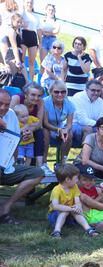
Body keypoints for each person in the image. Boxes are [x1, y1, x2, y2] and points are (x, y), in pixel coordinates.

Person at [0, 88, 44, 225]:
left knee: (37, 173)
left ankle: (5, 207)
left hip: (6, 166)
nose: (3, 108)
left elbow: (14, 140)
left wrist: (25, 136)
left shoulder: (11, 114)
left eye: (7, 104)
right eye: (0, 103)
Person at [48, 164, 99, 238]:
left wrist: (78, 207)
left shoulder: (74, 187)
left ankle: (88, 229)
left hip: (70, 216)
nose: (77, 180)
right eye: (76, 178)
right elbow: (55, 206)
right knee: (65, 211)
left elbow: (77, 201)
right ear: (68, 180)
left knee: (75, 210)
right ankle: (56, 231)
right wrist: (71, 208)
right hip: (55, 216)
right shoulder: (56, 190)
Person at [10, 82, 46, 171]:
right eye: (33, 95)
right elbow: (9, 119)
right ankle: (16, 165)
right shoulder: (17, 99)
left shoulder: (40, 102)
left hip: (31, 131)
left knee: (40, 132)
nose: (36, 98)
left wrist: (30, 130)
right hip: (14, 129)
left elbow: (39, 123)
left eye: (39, 95)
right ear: (26, 94)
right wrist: (23, 130)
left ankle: (40, 166)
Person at [74, 117, 103, 183]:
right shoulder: (90, 138)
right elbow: (85, 161)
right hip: (84, 165)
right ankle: (88, 191)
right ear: (97, 129)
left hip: (101, 166)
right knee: (88, 171)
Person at [77, 164, 103, 231]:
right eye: (85, 180)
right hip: (88, 215)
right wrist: (100, 198)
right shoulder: (78, 191)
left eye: (91, 180)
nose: (88, 182)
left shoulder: (97, 189)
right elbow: (89, 206)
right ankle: (99, 222)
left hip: (99, 213)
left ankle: (102, 223)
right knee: (84, 197)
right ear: (78, 180)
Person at [43, 80, 74, 165]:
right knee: (45, 133)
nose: (60, 94)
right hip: (47, 127)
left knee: (68, 134)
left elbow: (69, 123)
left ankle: (63, 160)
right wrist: (58, 129)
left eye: (63, 92)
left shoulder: (69, 103)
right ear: (51, 92)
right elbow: (45, 123)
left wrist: (65, 130)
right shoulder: (45, 102)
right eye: (56, 92)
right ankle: (44, 162)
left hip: (59, 127)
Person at [71, 79, 103, 146]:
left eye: (98, 91)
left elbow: (101, 117)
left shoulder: (100, 100)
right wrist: (100, 124)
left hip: (93, 125)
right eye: (93, 90)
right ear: (86, 90)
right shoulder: (78, 97)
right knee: (88, 129)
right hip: (74, 124)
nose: (96, 93)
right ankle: (85, 155)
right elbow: (82, 120)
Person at [3, 13, 28, 85]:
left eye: (21, 22)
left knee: (24, 79)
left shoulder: (18, 31)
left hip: (18, 56)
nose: (19, 24)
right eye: (18, 22)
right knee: (15, 79)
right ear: (12, 21)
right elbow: (14, 47)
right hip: (13, 56)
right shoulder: (12, 31)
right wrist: (17, 61)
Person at [21, 0, 39, 82]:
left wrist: (40, 42)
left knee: (32, 62)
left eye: (31, 3)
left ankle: (31, 81)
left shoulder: (36, 16)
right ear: (24, 3)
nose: (29, 4)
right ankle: (23, 79)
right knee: (22, 60)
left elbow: (38, 29)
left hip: (33, 37)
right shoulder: (22, 13)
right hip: (23, 35)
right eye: (27, 2)